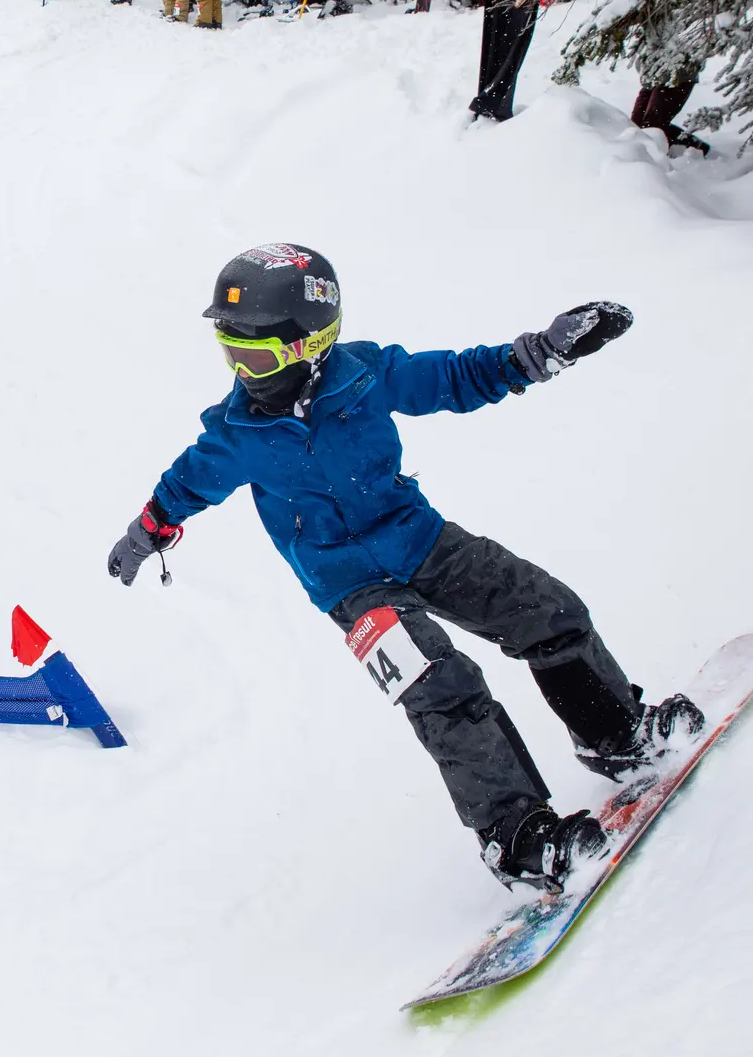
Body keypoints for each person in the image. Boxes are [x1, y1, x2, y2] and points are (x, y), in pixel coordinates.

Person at [105, 245, 705, 892]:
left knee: (547, 608)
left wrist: (539, 353)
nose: (245, 374)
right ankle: (517, 837)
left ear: (312, 343)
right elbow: (185, 484)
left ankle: (619, 736)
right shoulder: (236, 433)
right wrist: (149, 529)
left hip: (421, 542)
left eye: (258, 355)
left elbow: (454, 378)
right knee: (443, 689)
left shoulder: (364, 374)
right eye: (232, 353)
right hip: (351, 588)